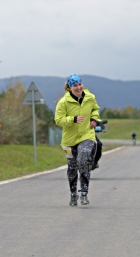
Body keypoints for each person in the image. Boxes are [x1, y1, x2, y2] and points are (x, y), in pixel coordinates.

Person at [55, 74, 100, 206]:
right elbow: (58, 120)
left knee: (83, 158)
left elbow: (95, 110)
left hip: (87, 135)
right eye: (75, 85)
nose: (79, 87)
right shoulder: (63, 102)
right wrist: (72, 119)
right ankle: (73, 193)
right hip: (69, 140)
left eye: (80, 84)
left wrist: (94, 119)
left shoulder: (90, 97)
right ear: (69, 87)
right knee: (72, 167)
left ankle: (84, 193)